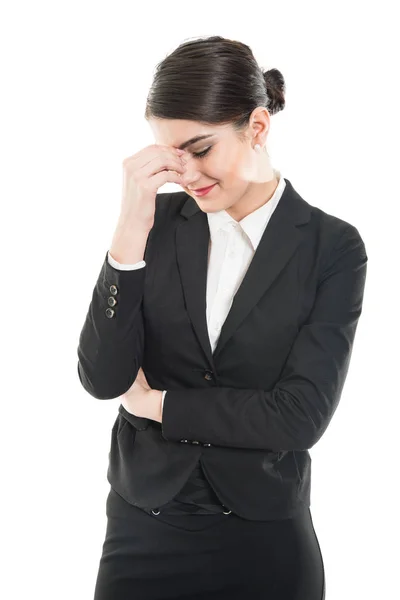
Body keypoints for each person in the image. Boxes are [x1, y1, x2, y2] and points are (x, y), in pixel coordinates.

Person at [77, 35, 368, 599]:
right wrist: (129, 231)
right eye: (169, 154)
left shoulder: (332, 246)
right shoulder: (153, 224)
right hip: (143, 529)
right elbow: (103, 379)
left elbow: (299, 416)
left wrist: (161, 405)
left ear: (257, 127)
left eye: (200, 148)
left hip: (264, 536)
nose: (184, 172)